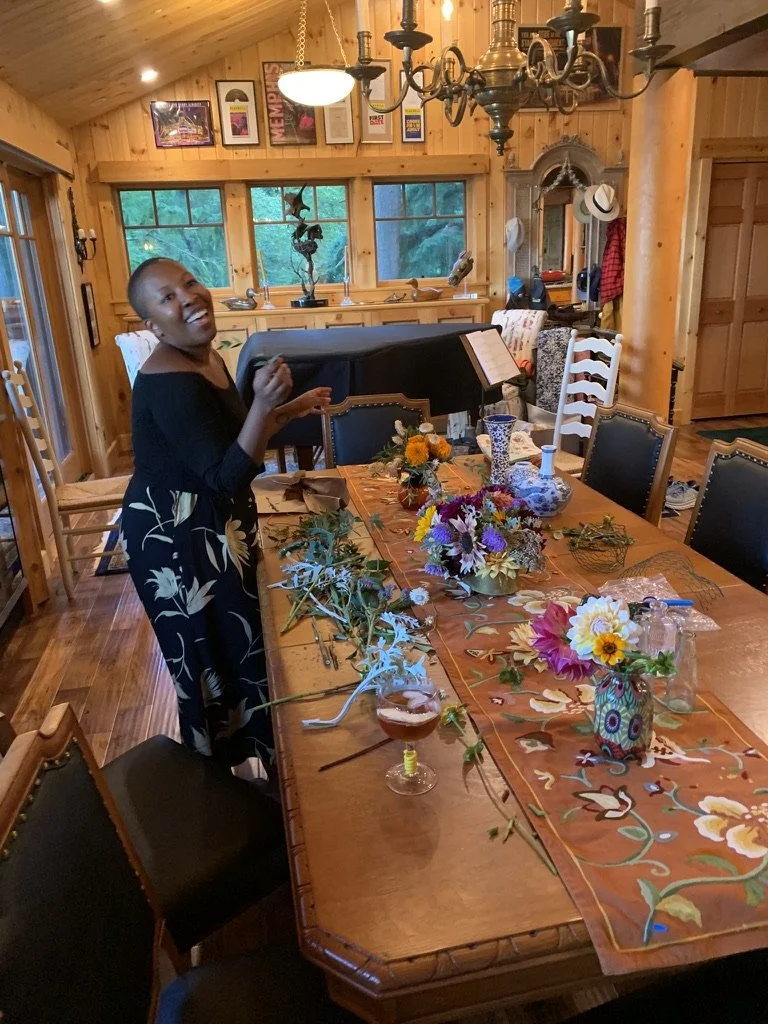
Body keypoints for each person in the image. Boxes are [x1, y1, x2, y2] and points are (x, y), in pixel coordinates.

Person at [121, 257, 330, 768]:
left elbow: (236, 437)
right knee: (214, 661)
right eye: (167, 297)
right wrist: (261, 404)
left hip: (210, 523)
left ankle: (270, 768)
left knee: (243, 646)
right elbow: (226, 473)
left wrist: (289, 408)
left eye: (189, 283)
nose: (188, 297)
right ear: (152, 326)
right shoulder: (168, 380)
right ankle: (224, 788)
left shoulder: (202, 358)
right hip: (177, 537)